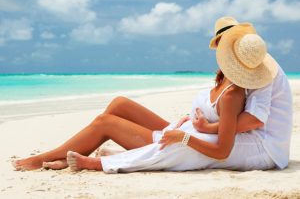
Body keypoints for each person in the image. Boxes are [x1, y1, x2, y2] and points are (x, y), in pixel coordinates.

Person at [13, 18, 293, 173]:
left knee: (105, 123)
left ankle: (47, 158)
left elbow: (253, 121)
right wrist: (192, 122)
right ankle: (75, 152)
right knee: (119, 104)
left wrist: (202, 128)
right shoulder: (234, 73)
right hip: (206, 129)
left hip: (261, 146)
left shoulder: (256, 72)